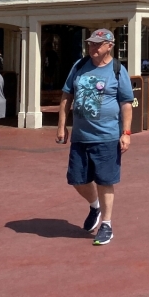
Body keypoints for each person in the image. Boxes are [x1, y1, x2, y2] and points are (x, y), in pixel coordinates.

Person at [56, 29, 134, 246]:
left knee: (105, 181)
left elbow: (126, 104)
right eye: (90, 44)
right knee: (77, 180)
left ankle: (106, 225)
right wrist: (62, 126)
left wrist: (126, 133)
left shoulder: (118, 70)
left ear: (109, 46)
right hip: (81, 136)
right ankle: (94, 205)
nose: (92, 48)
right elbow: (66, 96)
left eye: (97, 45)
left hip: (107, 136)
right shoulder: (79, 66)